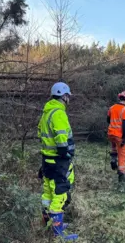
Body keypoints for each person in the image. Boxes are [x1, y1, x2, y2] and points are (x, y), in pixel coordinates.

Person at [38, 82, 78, 241]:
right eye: (68, 96)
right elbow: (61, 135)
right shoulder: (58, 113)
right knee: (59, 193)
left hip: (47, 159)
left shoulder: (46, 112)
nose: (69, 99)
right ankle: (58, 234)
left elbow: (40, 132)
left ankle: (49, 224)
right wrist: (65, 152)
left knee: (47, 192)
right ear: (64, 95)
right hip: (58, 160)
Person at [107, 91, 125, 182]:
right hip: (119, 135)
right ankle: (121, 174)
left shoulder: (111, 108)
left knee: (114, 147)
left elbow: (108, 120)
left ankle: (113, 159)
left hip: (110, 133)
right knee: (122, 154)